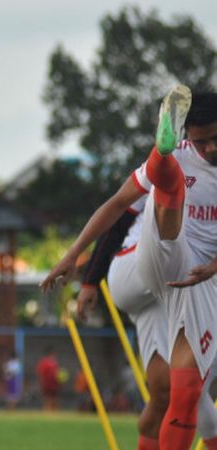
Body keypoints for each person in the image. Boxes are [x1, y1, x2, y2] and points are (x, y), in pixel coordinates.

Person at [42, 85, 217, 450]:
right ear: (187, 136)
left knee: (178, 391)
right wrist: (75, 255)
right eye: (200, 142)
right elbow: (118, 205)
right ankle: (161, 158)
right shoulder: (187, 156)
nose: (209, 149)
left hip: (192, 283)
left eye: (215, 139)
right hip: (150, 259)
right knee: (167, 199)